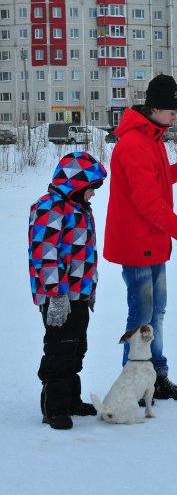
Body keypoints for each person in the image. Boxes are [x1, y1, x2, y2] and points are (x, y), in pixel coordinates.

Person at [104, 74, 177, 402]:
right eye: (171, 111)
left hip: (154, 242)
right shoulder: (133, 144)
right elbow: (148, 202)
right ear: (154, 108)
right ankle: (134, 383)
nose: (175, 117)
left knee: (157, 314)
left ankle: (157, 377)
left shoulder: (153, 138)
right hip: (135, 243)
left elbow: (157, 182)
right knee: (142, 316)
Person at [28, 151, 107, 430]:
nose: (93, 195)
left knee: (76, 348)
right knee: (60, 349)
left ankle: (71, 399)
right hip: (59, 295)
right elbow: (44, 254)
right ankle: (54, 408)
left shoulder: (78, 208)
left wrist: (89, 286)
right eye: (90, 188)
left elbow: (83, 252)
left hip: (79, 294)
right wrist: (56, 294)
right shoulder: (49, 208)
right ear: (75, 185)